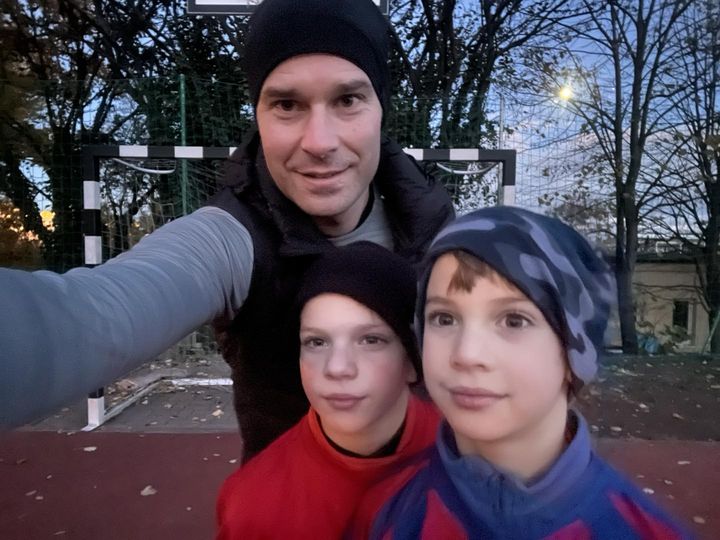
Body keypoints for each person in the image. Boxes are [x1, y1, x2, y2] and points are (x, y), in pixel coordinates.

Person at [0, 0, 454, 461]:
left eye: (348, 100)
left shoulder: (441, 229)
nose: (320, 141)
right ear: (258, 115)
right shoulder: (232, 241)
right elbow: (94, 315)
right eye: (287, 104)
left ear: (381, 109)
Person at [349, 207, 691, 539]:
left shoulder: (640, 531)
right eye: (444, 318)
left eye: (514, 320)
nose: (467, 354)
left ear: (575, 352)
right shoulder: (385, 510)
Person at [215, 242, 440, 539]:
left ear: (412, 360)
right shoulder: (254, 506)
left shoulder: (475, 454)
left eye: (370, 340)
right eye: (316, 342)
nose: (337, 367)